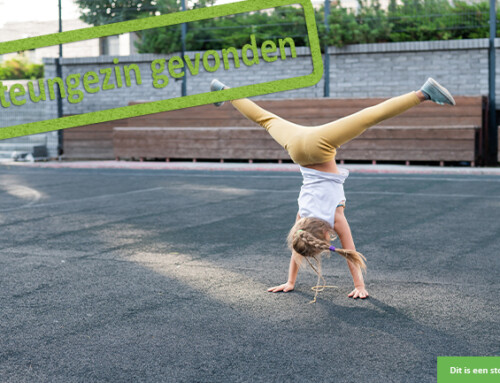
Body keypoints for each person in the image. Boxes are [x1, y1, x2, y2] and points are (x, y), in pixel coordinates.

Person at [210, 78, 455, 302]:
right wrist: (290, 281)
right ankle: (224, 90)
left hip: (320, 145)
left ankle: (423, 93)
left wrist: (359, 285)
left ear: (326, 235)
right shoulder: (301, 219)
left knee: (369, 118)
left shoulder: (335, 219)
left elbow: (350, 253)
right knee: (264, 118)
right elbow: (298, 246)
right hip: (296, 147)